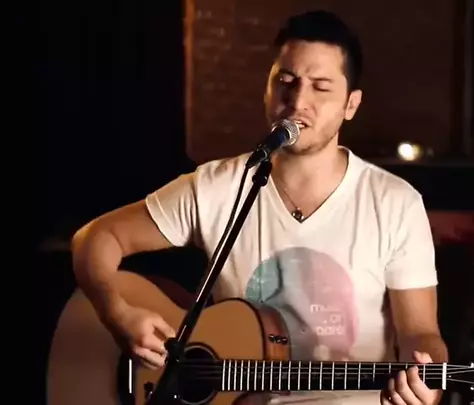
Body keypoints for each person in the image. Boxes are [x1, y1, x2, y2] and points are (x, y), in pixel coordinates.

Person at [71, 9, 447, 405]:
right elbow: (94, 238)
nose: (298, 101)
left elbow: (421, 335)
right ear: (267, 88)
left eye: (320, 87)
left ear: (350, 105)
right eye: (285, 81)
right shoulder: (218, 187)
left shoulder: (395, 203)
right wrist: (116, 314)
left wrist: (426, 382)